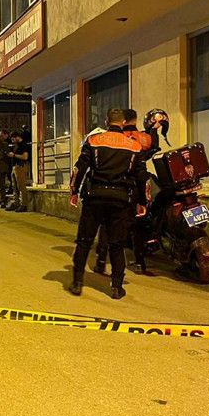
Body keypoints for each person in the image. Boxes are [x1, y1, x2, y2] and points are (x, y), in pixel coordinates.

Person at [69, 108, 149, 300]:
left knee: (84, 241)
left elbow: (79, 168)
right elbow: (141, 177)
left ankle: (77, 283)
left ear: (106, 121)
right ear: (123, 123)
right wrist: (142, 202)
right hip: (121, 201)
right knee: (117, 245)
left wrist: (74, 191)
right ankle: (116, 287)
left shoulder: (94, 140)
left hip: (94, 197)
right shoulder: (134, 146)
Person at [7, 129, 30, 212]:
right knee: (14, 187)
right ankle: (16, 203)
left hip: (21, 166)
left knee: (21, 186)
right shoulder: (16, 145)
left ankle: (24, 205)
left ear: (17, 137)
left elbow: (25, 157)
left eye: (13, 139)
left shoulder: (23, 145)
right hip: (15, 167)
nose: (12, 141)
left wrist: (14, 155)